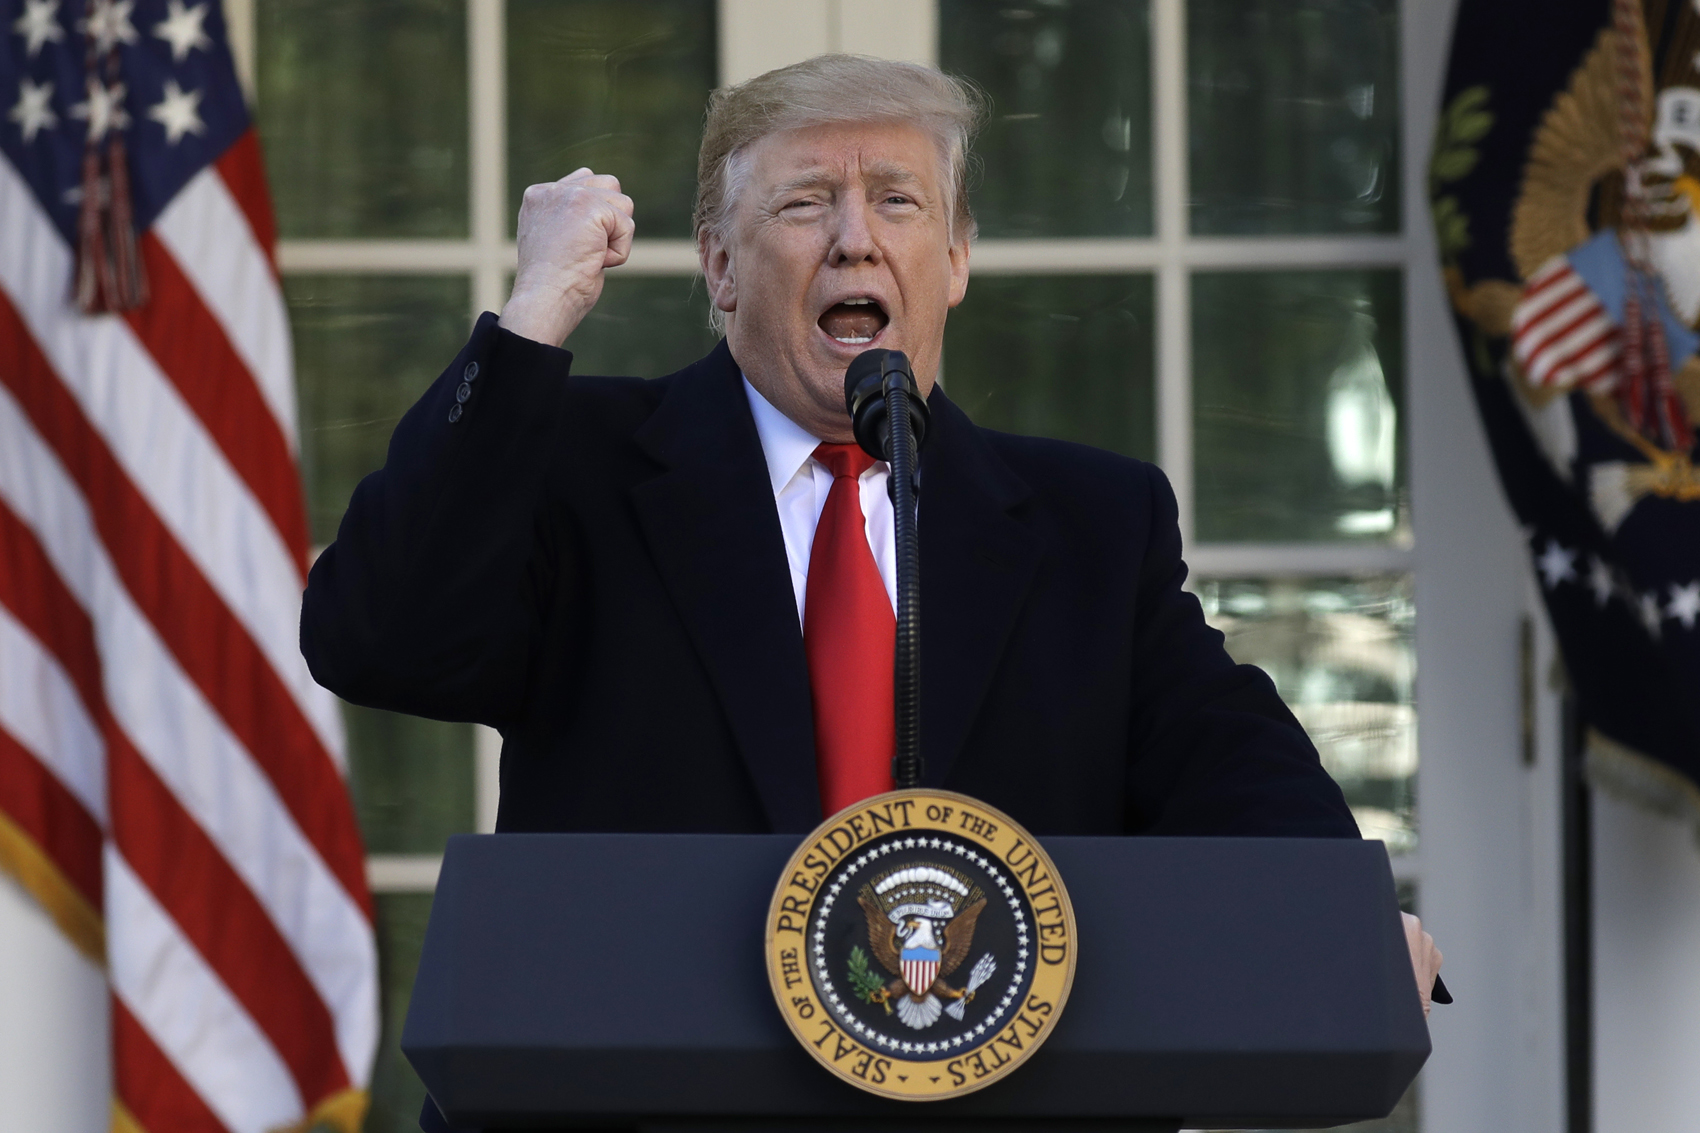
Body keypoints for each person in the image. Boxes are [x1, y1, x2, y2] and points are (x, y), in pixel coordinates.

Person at [299, 55, 1442, 1017]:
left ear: (952, 262)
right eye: (803, 204)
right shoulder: (577, 470)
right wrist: (534, 309)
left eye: (896, 200)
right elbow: (378, 636)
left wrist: (1337, 920)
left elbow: (1230, 764)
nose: (854, 240)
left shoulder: (1092, 526)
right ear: (718, 265)